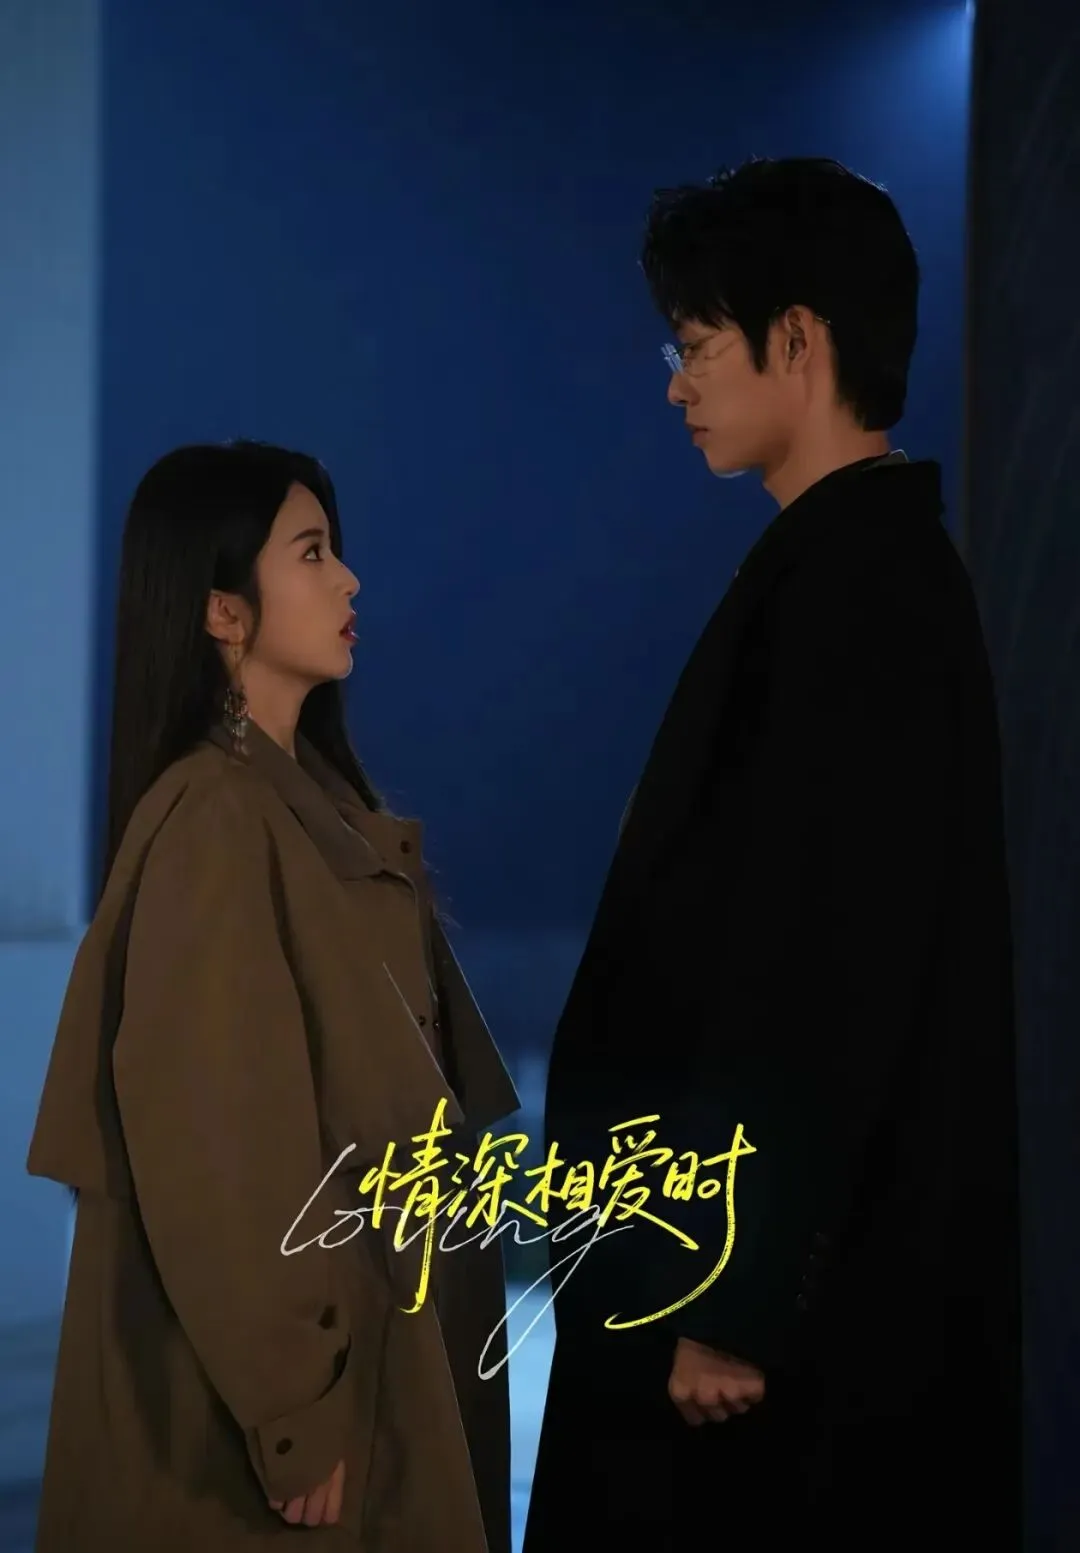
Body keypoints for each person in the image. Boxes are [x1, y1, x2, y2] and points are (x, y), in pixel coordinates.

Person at [523, 158, 1021, 1551]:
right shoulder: (847, 569)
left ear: (797, 339)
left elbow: (822, 965)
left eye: (696, 344)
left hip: (761, 1339)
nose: (676, 385)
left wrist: (724, 1296)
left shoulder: (859, 590)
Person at [27, 440, 519, 1552]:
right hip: (295, 1423)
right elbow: (219, 1148)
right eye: (311, 553)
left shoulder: (309, 806)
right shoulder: (217, 818)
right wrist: (295, 1405)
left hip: (376, 1358)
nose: (348, 580)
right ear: (223, 610)